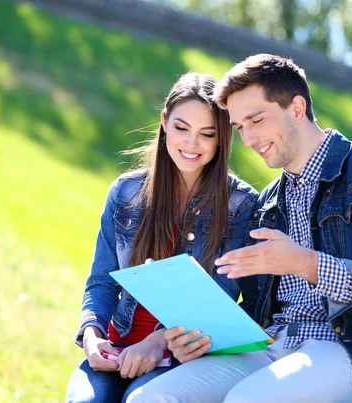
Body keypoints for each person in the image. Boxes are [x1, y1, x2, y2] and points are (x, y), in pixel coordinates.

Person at [127, 54, 352, 402]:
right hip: (277, 343)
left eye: (256, 120)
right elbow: (258, 309)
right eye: (240, 126)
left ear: (297, 109)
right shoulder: (270, 202)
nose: (248, 138)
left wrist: (305, 263)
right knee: (150, 398)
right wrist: (203, 339)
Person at [66, 72, 259, 403]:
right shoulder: (126, 193)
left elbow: (219, 298)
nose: (190, 144)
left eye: (207, 134)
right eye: (181, 128)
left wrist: (157, 343)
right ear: (164, 122)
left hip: (180, 358)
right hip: (118, 349)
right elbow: (101, 282)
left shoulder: (240, 206)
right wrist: (93, 336)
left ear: (222, 139)